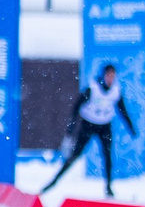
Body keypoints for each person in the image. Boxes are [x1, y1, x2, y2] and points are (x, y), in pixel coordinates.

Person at [47, 62, 139, 196]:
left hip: (105, 126)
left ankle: (108, 187)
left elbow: (122, 110)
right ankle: (54, 181)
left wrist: (131, 128)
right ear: (104, 75)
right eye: (108, 75)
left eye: (113, 76)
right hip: (88, 124)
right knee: (76, 154)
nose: (110, 79)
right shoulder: (93, 88)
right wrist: (72, 125)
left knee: (107, 156)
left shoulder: (116, 91)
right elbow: (77, 106)